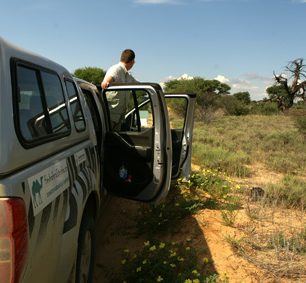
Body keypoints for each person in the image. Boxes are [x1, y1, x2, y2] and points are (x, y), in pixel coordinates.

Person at [101, 49, 138, 130]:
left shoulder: (127, 75)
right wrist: (106, 82)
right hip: (110, 114)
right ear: (132, 62)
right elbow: (106, 81)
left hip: (119, 115)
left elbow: (139, 84)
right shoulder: (116, 69)